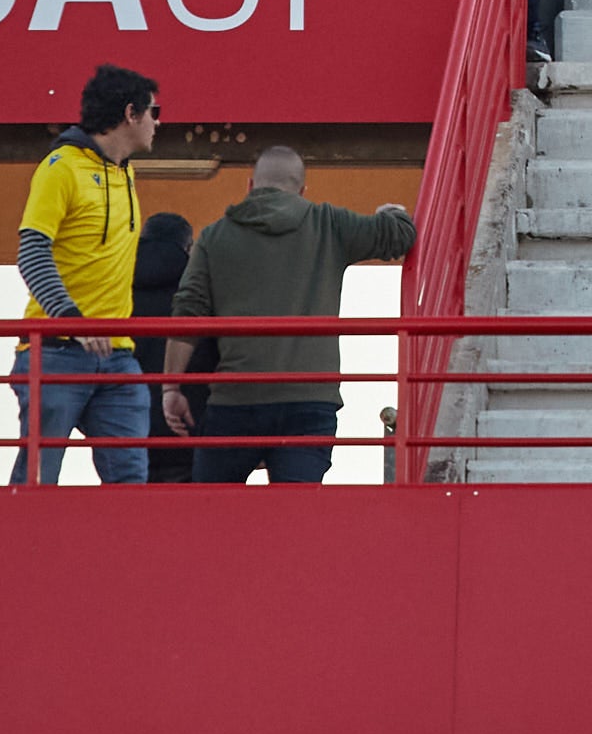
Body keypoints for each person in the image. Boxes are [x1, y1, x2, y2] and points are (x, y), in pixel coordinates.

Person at [158, 147, 413, 485]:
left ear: (250, 186)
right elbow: (398, 235)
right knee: (297, 518)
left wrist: (171, 388)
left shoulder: (214, 237)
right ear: (302, 190)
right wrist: (392, 213)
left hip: (236, 401)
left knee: (211, 513)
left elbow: (187, 312)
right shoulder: (328, 223)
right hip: (309, 401)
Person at [12, 65, 159, 485]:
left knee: (131, 483)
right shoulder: (60, 168)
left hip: (118, 355)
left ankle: (124, 553)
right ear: (131, 113)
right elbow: (31, 251)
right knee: (38, 480)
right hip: (55, 352)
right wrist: (71, 319)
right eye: (155, 111)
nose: (158, 122)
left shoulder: (125, 171)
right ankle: (19, 547)